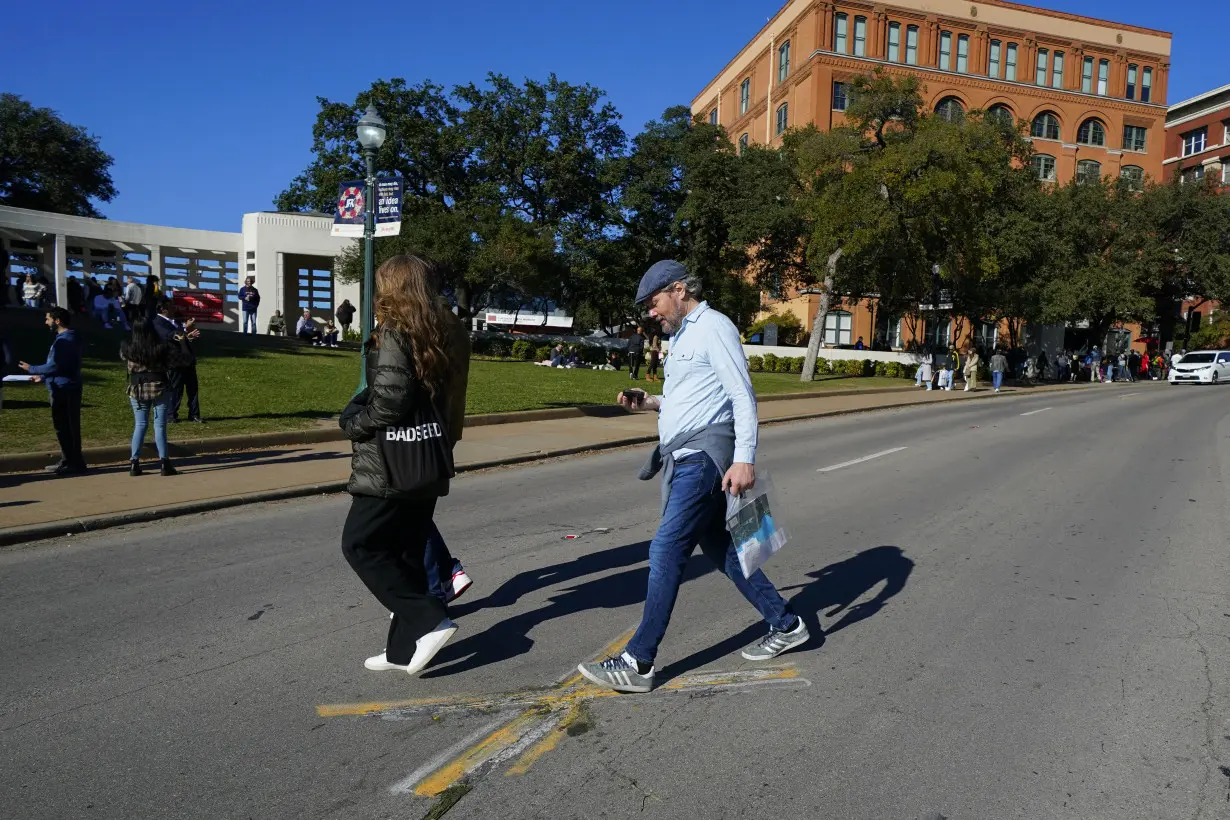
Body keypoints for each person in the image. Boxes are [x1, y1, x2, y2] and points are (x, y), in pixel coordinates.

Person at [576, 260, 806, 694]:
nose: (651, 312)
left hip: (703, 458)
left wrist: (744, 458)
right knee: (725, 552)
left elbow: (742, 394)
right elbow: (689, 400)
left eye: (654, 302)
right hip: (685, 456)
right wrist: (650, 403)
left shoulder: (713, 326)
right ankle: (787, 623)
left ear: (679, 290)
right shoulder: (682, 336)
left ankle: (638, 661)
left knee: (666, 548)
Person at [338, 254, 461, 675]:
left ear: (392, 287)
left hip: (391, 465)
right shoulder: (438, 331)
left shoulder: (393, 331)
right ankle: (401, 651)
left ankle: (431, 621)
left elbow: (390, 400)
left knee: (360, 544)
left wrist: (357, 422)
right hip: (426, 460)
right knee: (406, 552)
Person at [18, 307, 87, 475]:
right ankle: (70, 460)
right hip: (64, 385)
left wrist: (32, 369)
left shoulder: (67, 339)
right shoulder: (67, 338)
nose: (45, 322)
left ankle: (72, 462)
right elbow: (62, 366)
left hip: (65, 388)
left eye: (48, 319)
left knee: (65, 427)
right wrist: (42, 377)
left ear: (57, 321)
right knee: (66, 427)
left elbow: (56, 365)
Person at [120, 317, 178, 477]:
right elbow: (172, 362)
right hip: (159, 385)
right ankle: (165, 463)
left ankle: (134, 463)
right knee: (159, 425)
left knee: (140, 424)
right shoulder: (160, 347)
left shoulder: (128, 348)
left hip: (137, 388)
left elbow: (125, 359)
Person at [154, 301, 203, 424]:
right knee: (176, 388)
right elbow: (169, 336)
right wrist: (186, 329)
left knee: (193, 388)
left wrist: (188, 336)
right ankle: (171, 414)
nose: (174, 308)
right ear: (163, 309)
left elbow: (180, 337)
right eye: (171, 306)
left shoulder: (175, 322)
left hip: (187, 360)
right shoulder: (157, 322)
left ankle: (194, 414)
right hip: (174, 360)